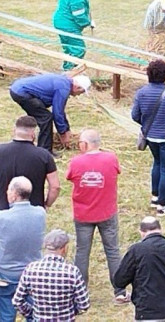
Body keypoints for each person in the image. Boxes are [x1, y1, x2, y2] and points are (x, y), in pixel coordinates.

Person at [65, 129, 128, 304]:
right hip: (107, 213)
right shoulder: (111, 158)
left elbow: (69, 177)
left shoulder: (76, 162)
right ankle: (120, 291)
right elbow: (117, 172)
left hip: (83, 215)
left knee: (82, 252)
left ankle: (79, 291)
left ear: (84, 144)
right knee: (113, 251)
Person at [114, 217, 165, 321]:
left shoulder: (137, 250)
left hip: (147, 311)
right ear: (160, 229)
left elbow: (119, 280)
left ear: (141, 232)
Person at [132, 59, 165, 216]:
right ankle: (163, 205)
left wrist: (148, 124)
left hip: (150, 136)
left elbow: (135, 115)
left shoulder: (141, 93)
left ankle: (155, 197)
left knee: (157, 163)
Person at [0, 177, 47, 321]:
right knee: (33, 314)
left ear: (14, 194)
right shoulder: (40, 213)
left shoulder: (1, 217)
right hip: (32, 274)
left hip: (6, 274)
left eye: (9, 189)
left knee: (6, 315)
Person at [0, 116, 60, 213]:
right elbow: (55, 187)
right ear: (33, 134)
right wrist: (46, 204)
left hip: (2, 210)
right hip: (33, 211)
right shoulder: (44, 155)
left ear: (14, 130)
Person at [13, 230, 90, 321]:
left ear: (45, 247)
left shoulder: (30, 269)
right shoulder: (72, 272)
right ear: (64, 248)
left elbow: (17, 301)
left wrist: (31, 313)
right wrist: (72, 312)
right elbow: (84, 304)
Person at [9, 73, 92, 154]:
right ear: (77, 87)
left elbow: (60, 110)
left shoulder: (64, 82)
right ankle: (44, 152)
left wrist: (66, 129)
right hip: (21, 92)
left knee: (41, 116)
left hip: (18, 89)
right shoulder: (63, 89)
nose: (79, 95)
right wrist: (63, 134)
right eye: (81, 92)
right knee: (46, 118)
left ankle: (28, 141)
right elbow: (57, 112)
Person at [52, 0, 94, 70]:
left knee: (68, 47)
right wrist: (89, 22)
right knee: (78, 49)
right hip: (68, 25)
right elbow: (79, 17)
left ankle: (66, 67)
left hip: (59, 21)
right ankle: (70, 71)